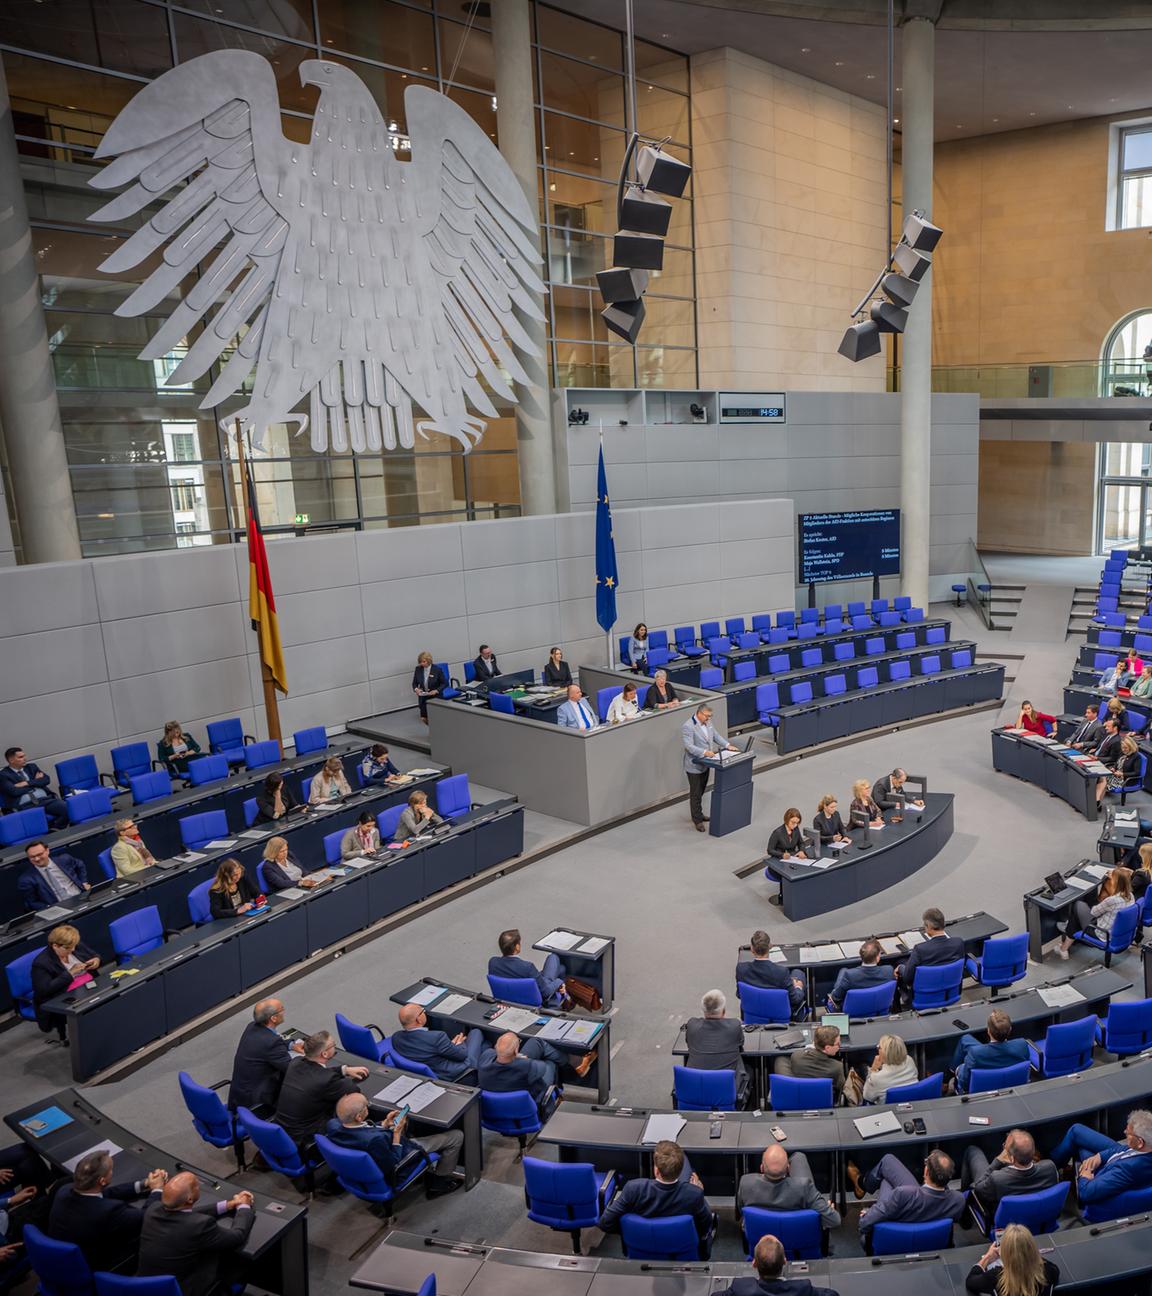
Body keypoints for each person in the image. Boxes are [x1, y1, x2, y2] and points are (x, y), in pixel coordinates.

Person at [135, 1171, 254, 1296]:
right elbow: (237, 1236)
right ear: (190, 1198)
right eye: (196, 1186)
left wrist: (227, 1205)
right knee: (235, 1262)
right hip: (182, 1290)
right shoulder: (200, 1225)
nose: (199, 1186)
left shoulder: (153, 1209)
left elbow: (184, 1213)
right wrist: (244, 1206)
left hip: (146, 1286)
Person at [326, 1092, 462, 1198]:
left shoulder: (333, 1125)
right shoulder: (374, 1140)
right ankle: (438, 1184)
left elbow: (363, 1130)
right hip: (404, 1157)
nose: (367, 1107)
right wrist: (396, 1134)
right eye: (365, 1107)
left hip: (375, 1151)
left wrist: (383, 1124)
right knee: (456, 1136)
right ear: (359, 1117)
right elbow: (393, 1163)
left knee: (406, 1123)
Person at [48, 1150, 167, 1272]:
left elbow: (106, 1193)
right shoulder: (109, 1211)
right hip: (95, 1266)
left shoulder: (65, 1190)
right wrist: (157, 1189)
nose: (112, 1172)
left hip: (61, 1259)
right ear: (102, 1181)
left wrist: (145, 1184)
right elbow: (144, 1217)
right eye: (111, 1170)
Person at [597, 1140, 713, 1254]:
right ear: (680, 1171)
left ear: (657, 1171)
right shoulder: (693, 1194)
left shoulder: (634, 1188)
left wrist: (631, 1229)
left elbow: (605, 1223)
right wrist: (700, 1191)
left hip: (640, 1248)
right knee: (687, 1162)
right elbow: (706, 1225)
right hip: (680, 1249)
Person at [272, 1030, 368, 1148]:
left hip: (282, 1129)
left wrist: (344, 1070)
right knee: (351, 1109)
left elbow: (317, 1073)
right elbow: (352, 1089)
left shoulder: (295, 1062)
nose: (335, 1047)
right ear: (325, 1054)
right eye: (333, 1045)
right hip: (303, 1137)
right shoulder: (326, 1080)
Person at [851, 1150, 965, 1249]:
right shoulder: (958, 1200)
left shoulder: (902, 1195)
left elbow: (863, 1225)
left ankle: (861, 1184)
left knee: (886, 1172)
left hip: (892, 1242)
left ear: (926, 1171)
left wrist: (869, 1213)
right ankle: (862, 1185)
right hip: (930, 1243)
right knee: (887, 1175)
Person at [1048, 1108, 1152, 1210]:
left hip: (1106, 1174)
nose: (1124, 1131)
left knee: (1082, 1147)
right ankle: (1051, 1164)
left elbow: (1085, 1194)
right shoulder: (1146, 1145)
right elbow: (1123, 1149)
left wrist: (1085, 1174)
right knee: (1076, 1131)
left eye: (1128, 1133)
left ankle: (1047, 1171)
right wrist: (1099, 1157)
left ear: (1140, 1142)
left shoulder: (1128, 1169)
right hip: (1119, 1159)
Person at [736, 1144, 840, 1231]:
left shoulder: (745, 1183)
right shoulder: (804, 1188)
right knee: (798, 1157)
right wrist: (828, 1210)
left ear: (761, 1168)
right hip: (798, 1242)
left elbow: (741, 1211)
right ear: (788, 1169)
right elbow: (834, 1221)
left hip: (761, 1242)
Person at [961, 1129, 1058, 1221]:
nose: (1003, 1149)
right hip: (1040, 1218)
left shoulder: (998, 1179)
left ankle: (964, 1216)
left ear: (1011, 1158)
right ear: (1033, 1152)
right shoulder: (1050, 1167)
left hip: (1008, 1226)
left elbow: (977, 1189)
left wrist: (997, 1161)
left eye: (1005, 1148)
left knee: (972, 1151)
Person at [228, 998, 304, 1113]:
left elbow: (271, 1042)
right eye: (281, 1009)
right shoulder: (271, 1042)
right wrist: (309, 1057)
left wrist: (291, 1045)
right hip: (255, 1103)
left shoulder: (252, 1027)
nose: (284, 1010)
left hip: (239, 1095)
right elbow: (292, 1068)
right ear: (273, 1018)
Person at [713, 1233, 841, 1296]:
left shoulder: (740, 1287)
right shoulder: (803, 1288)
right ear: (785, 1261)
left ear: (754, 1263)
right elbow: (833, 1294)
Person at [32, 925, 100, 1042]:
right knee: (92, 1011)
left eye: (74, 946)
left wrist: (96, 960)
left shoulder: (73, 944)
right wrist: (70, 973)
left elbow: (94, 955)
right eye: (68, 948)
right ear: (55, 946)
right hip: (65, 994)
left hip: (90, 984)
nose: (73, 950)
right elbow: (44, 990)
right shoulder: (41, 963)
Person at [476, 1031, 573, 1111]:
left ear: (495, 1047)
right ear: (516, 1050)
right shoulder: (526, 1066)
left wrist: (509, 1055)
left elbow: (493, 1054)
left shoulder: (484, 1059)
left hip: (494, 1110)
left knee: (536, 1044)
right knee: (550, 1063)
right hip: (527, 1108)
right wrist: (521, 1059)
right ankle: (572, 1066)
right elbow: (542, 1067)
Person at [390, 1003, 485, 1081]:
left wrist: (450, 1046)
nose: (425, 1013)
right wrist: (459, 1044)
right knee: (476, 1032)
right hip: (452, 1073)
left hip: (431, 1070)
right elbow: (462, 1055)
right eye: (423, 1011)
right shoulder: (436, 1037)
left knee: (485, 1046)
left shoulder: (396, 1037)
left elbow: (429, 1050)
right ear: (418, 1019)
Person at [1058, 863, 1134, 959]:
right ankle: (1065, 945)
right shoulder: (1131, 896)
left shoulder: (1112, 900)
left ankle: (1064, 947)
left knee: (1078, 906)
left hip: (1102, 934)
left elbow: (1094, 912)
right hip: (1118, 932)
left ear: (1116, 882)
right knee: (1080, 913)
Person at [682, 703, 738, 832]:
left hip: (706, 763)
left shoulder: (708, 722)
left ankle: (699, 814)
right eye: (707, 716)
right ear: (699, 713)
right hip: (694, 765)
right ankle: (697, 820)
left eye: (710, 716)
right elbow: (689, 746)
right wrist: (704, 752)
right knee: (695, 794)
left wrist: (728, 745)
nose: (709, 719)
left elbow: (716, 736)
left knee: (701, 791)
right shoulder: (688, 726)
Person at [965, 1223, 1060, 1296]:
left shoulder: (996, 1278)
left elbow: (970, 1281)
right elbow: (1054, 1270)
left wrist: (987, 1257)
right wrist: (1029, 1255)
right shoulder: (1049, 1271)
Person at [896, 907, 965, 1005]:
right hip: (950, 993)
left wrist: (900, 968)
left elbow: (907, 978)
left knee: (901, 963)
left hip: (924, 998)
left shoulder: (920, 949)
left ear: (928, 926)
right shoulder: (958, 943)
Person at [685, 989, 747, 1096]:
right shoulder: (734, 1026)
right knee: (751, 1069)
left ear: (704, 1010)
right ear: (723, 1010)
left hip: (694, 1089)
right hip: (726, 1090)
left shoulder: (691, 1025)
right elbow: (740, 1042)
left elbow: (688, 1042)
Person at [952, 1009, 1031, 1093]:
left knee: (964, 1044)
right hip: (1013, 1085)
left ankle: (950, 1073)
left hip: (981, 1092)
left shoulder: (975, 1054)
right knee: (966, 1039)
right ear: (1010, 1029)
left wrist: (958, 1069)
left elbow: (964, 1083)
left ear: (988, 1031)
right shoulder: (1022, 1045)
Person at [488, 928, 567, 1008]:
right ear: (517, 947)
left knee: (561, 969)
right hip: (534, 999)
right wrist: (559, 982)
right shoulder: (527, 967)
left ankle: (559, 1002)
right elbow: (546, 992)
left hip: (509, 998)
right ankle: (555, 1004)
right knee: (553, 957)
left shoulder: (493, 963)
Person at [735, 930, 806, 1019]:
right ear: (770, 947)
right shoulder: (782, 972)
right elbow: (795, 1000)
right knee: (798, 973)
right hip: (779, 1016)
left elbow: (739, 995)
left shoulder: (741, 969)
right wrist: (798, 987)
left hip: (752, 1014)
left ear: (752, 949)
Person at [772, 1023, 847, 1105]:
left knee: (780, 1059)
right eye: (838, 1044)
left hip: (797, 1099)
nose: (840, 1046)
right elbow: (841, 1087)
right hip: (821, 1102)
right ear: (827, 1048)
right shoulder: (837, 1067)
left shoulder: (796, 1056)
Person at [0, 747, 68, 828]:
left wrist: (26, 783)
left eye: (24, 756)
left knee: (67, 808)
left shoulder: (32, 767)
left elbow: (46, 780)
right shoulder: (3, 775)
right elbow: (14, 791)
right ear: (11, 760)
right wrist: (36, 782)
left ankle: (56, 829)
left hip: (45, 800)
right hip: (25, 805)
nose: (25, 759)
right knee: (37, 823)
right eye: (20, 757)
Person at [18, 840, 90, 911]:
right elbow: (32, 902)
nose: (37, 859)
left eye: (39, 854)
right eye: (32, 857)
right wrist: (49, 908)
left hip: (81, 898)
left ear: (47, 851)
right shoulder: (26, 879)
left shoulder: (64, 859)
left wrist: (84, 882)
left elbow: (80, 865)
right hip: (58, 909)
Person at [826, 938, 894, 1012]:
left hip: (854, 1015)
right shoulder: (888, 970)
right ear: (877, 958)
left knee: (843, 971)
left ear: (861, 956)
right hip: (880, 1011)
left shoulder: (850, 975)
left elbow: (836, 998)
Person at [860, 1033, 919, 1104]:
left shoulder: (877, 1077)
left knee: (862, 1067)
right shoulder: (909, 1060)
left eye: (879, 1047)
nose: (878, 1049)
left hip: (886, 1110)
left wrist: (873, 1070)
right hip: (913, 1102)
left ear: (884, 1053)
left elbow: (867, 1096)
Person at [412, 652, 447, 723]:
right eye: (420, 662)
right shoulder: (418, 669)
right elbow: (414, 683)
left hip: (435, 696)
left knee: (436, 717)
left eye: (424, 662)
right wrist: (416, 689)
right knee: (423, 718)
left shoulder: (437, 670)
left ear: (429, 660)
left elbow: (445, 683)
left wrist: (436, 690)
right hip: (424, 696)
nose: (422, 664)